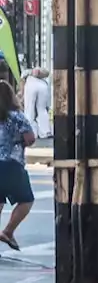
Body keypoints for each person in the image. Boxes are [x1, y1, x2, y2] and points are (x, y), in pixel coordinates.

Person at [0, 81, 34, 250]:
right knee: (26, 200)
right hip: (11, 164)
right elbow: (30, 138)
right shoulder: (17, 117)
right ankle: (8, 231)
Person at [20, 69, 50, 139]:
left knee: (29, 110)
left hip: (30, 85)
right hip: (43, 86)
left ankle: (32, 133)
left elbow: (22, 82)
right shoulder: (41, 75)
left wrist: (22, 94)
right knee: (42, 109)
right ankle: (45, 132)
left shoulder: (25, 73)